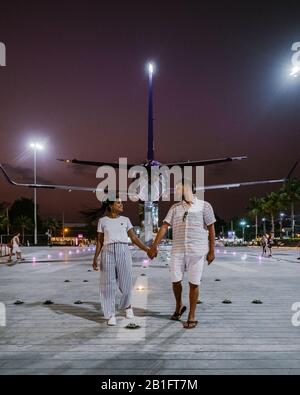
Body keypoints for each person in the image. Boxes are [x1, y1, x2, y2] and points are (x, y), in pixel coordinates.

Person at [148, 179, 216, 329]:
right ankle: (179, 306)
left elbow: (211, 229)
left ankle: (192, 315)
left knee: (194, 283)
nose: (179, 191)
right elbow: (165, 227)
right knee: (175, 281)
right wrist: (154, 246)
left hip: (197, 251)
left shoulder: (204, 206)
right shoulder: (175, 208)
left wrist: (212, 251)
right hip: (178, 250)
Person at [93, 196, 150, 326]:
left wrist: (147, 250)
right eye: (118, 203)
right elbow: (100, 241)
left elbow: (134, 238)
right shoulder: (103, 221)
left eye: (121, 203)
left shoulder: (126, 220)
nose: (121, 205)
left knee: (126, 281)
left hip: (123, 250)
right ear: (111, 205)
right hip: (107, 252)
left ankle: (127, 306)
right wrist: (95, 257)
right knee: (107, 284)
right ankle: (110, 314)